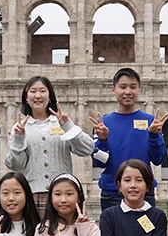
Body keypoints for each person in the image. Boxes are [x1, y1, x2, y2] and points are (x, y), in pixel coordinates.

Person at [6, 76, 99, 205]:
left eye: (43, 91)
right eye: (33, 91)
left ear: (50, 97)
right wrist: (18, 138)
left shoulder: (62, 122)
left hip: (62, 194)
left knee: (62, 226)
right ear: (26, 98)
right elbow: (14, 165)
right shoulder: (20, 127)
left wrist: (68, 127)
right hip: (32, 193)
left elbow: (88, 149)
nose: (38, 95)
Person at [89, 68, 168, 211]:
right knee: (113, 233)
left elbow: (158, 159)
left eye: (133, 87)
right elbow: (99, 163)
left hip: (144, 192)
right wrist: (103, 140)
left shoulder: (151, 121)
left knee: (146, 232)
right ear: (114, 90)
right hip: (112, 193)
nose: (128, 92)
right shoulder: (103, 124)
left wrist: (154, 136)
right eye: (123, 87)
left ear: (139, 90)